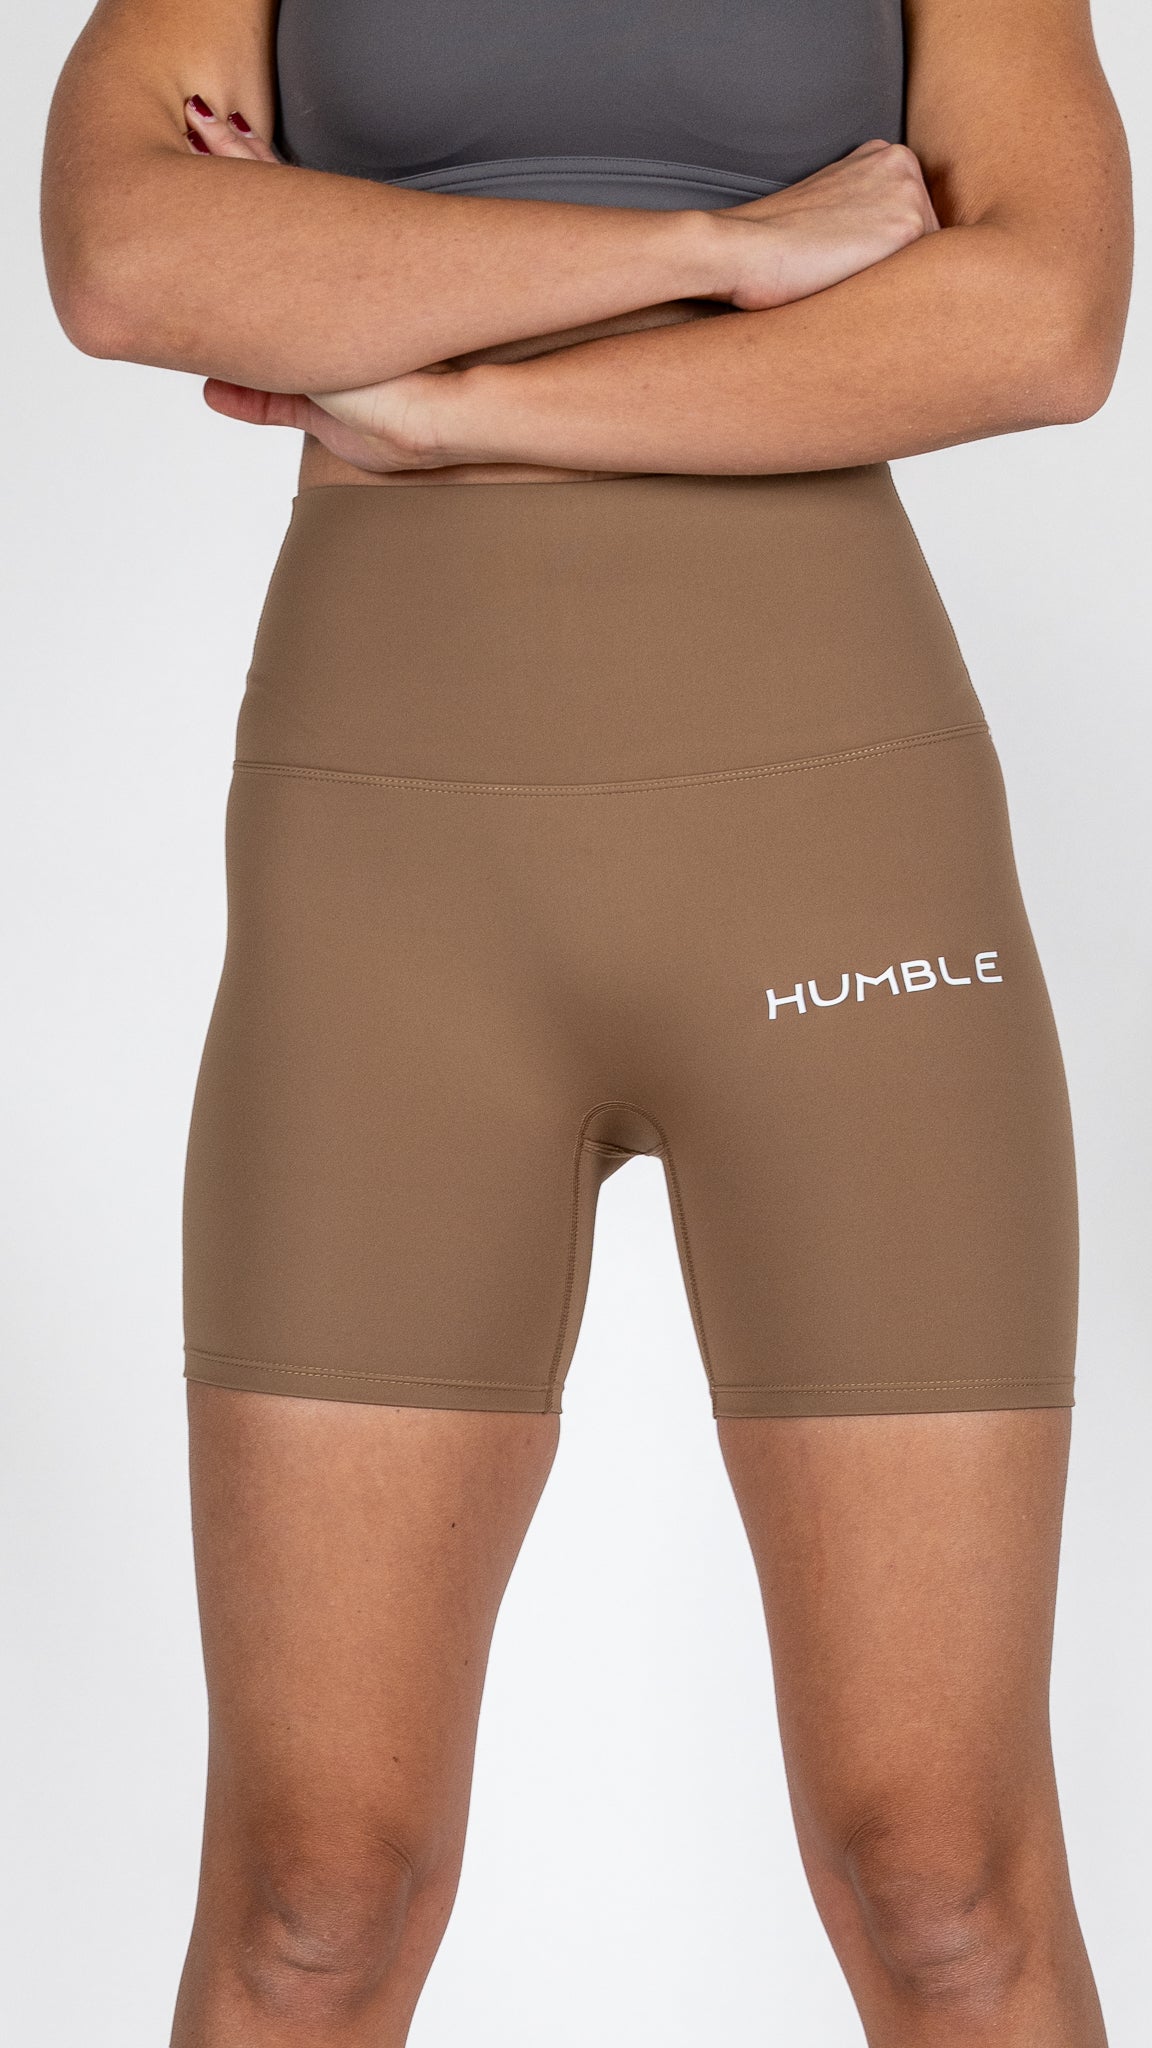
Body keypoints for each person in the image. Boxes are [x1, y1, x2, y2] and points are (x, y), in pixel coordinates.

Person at [40, 1, 1131, 2042]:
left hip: (839, 863)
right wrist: (724, 249)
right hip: (392, 891)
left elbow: (1045, 317)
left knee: (945, 1882)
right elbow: (126, 253)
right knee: (311, 1896)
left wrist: (447, 398)